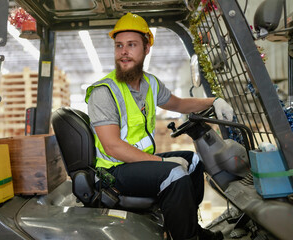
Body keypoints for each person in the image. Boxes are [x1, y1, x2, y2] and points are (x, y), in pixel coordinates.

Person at [85, 12, 233, 240]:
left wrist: (213, 101)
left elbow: (181, 104)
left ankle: (189, 228)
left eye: (131, 45)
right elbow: (113, 147)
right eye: (119, 46)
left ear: (146, 49)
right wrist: (162, 161)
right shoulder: (104, 92)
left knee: (193, 161)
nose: (123, 52)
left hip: (136, 163)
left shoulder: (150, 84)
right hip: (113, 172)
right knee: (174, 173)